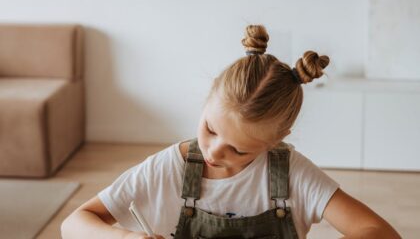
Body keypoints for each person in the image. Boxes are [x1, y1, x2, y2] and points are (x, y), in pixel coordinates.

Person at [61, 25, 401, 239]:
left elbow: (379, 232)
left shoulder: (292, 175)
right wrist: (124, 237)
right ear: (209, 98)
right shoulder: (170, 168)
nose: (214, 151)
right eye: (210, 129)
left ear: (277, 139)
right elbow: (74, 224)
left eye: (240, 150)